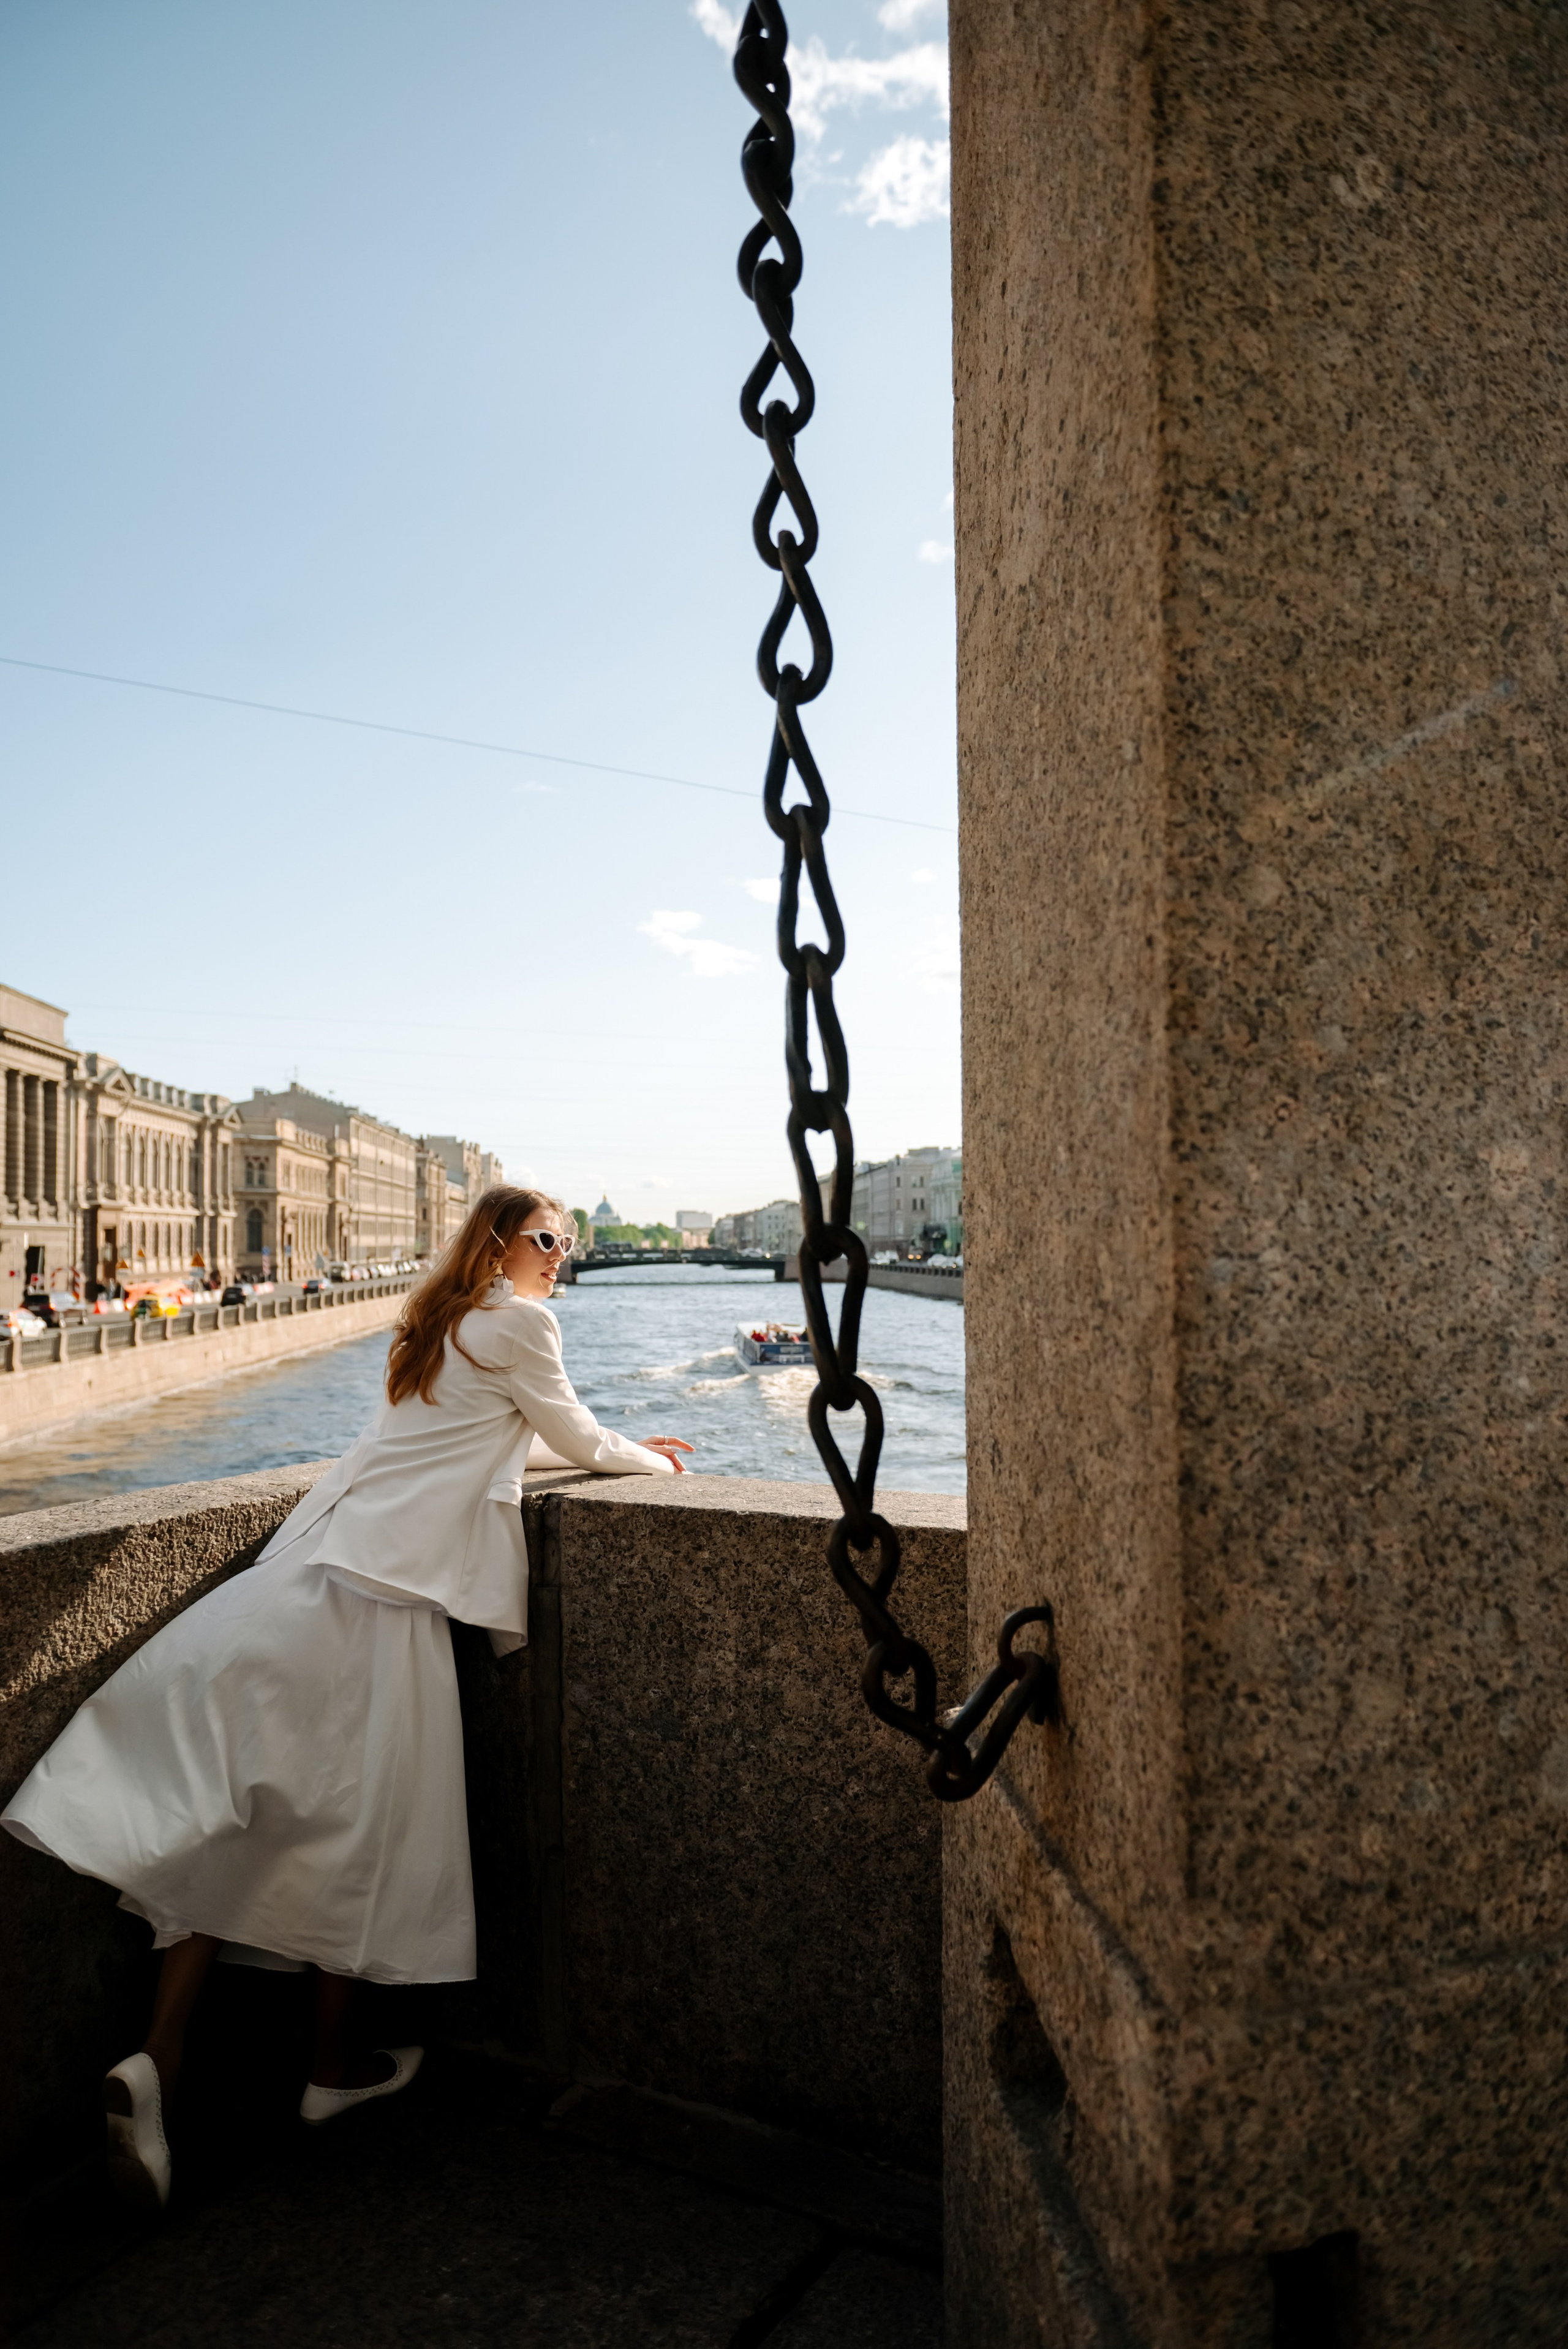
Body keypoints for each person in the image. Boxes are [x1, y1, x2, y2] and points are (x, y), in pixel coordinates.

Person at [2, 1186, 691, 2211]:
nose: (562, 1254)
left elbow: (487, 1436)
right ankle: (330, 2069)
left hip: (307, 1579)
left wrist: (603, 1445)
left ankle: (160, 2056)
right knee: (364, 1838)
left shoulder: (437, 1322)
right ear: (500, 1243)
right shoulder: (523, 1320)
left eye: (569, 1239)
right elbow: (578, 1439)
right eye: (549, 1238)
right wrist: (652, 1459)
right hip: (386, 1607)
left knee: (234, 1817)